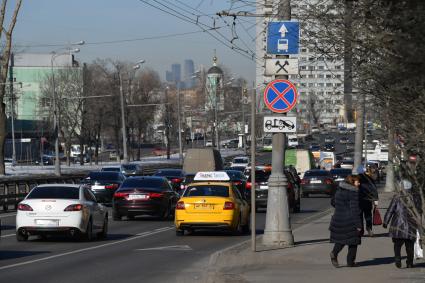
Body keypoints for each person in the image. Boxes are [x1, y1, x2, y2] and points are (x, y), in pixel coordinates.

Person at [383, 179, 420, 268]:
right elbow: (419, 211)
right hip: (411, 225)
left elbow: (390, 210)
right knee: (410, 246)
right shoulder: (415, 197)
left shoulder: (397, 196)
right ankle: (410, 263)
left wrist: (385, 221)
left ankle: (398, 259)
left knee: (397, 245)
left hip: (398, 225)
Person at [329, 175, 363, 268]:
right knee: (353, 241)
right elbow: (354, 209)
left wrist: (341, 209)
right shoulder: (353, 192)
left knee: (341, 239)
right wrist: (359, 225)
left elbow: (333, 202)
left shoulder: (339, 190)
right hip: (350, 220)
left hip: (338, 218)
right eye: (357, 182)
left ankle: (334, 253)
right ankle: (350, 262)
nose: (359, 183)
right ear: (352, 182)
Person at [357, 165, 379, 237]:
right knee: (368, 216)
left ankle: (360, 231)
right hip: (368, 200)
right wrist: (375, 199)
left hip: (359, 201)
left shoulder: (356, 179)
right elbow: (374, 189)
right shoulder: (369, 178)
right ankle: (369, 229)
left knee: (359, 216)